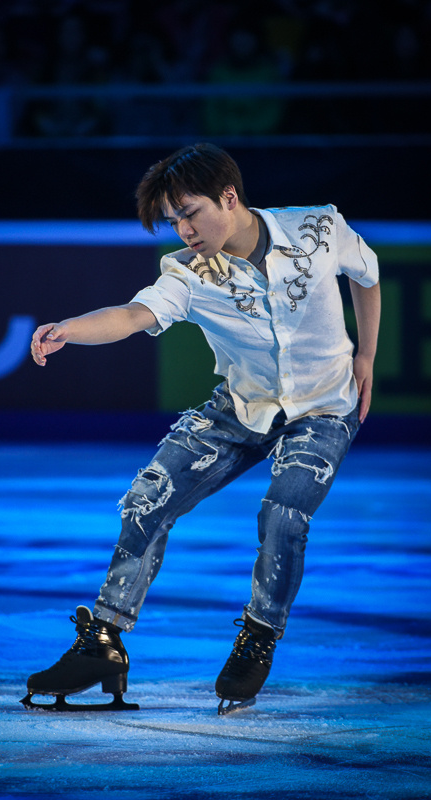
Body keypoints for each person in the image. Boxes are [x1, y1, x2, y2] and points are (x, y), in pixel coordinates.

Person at [22, 142, 381, 715]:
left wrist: (365, 356)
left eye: (190, 212)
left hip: (323, 407)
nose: (183, 228)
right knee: (147, 497)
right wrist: (68, 327)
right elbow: (134, 315)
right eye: (173, 220)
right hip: (241, 406)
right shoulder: (189, 272)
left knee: (284, 514)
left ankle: (259, 637)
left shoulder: (318, 229)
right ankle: (105, 642)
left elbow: (368, 272)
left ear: (229, 197)